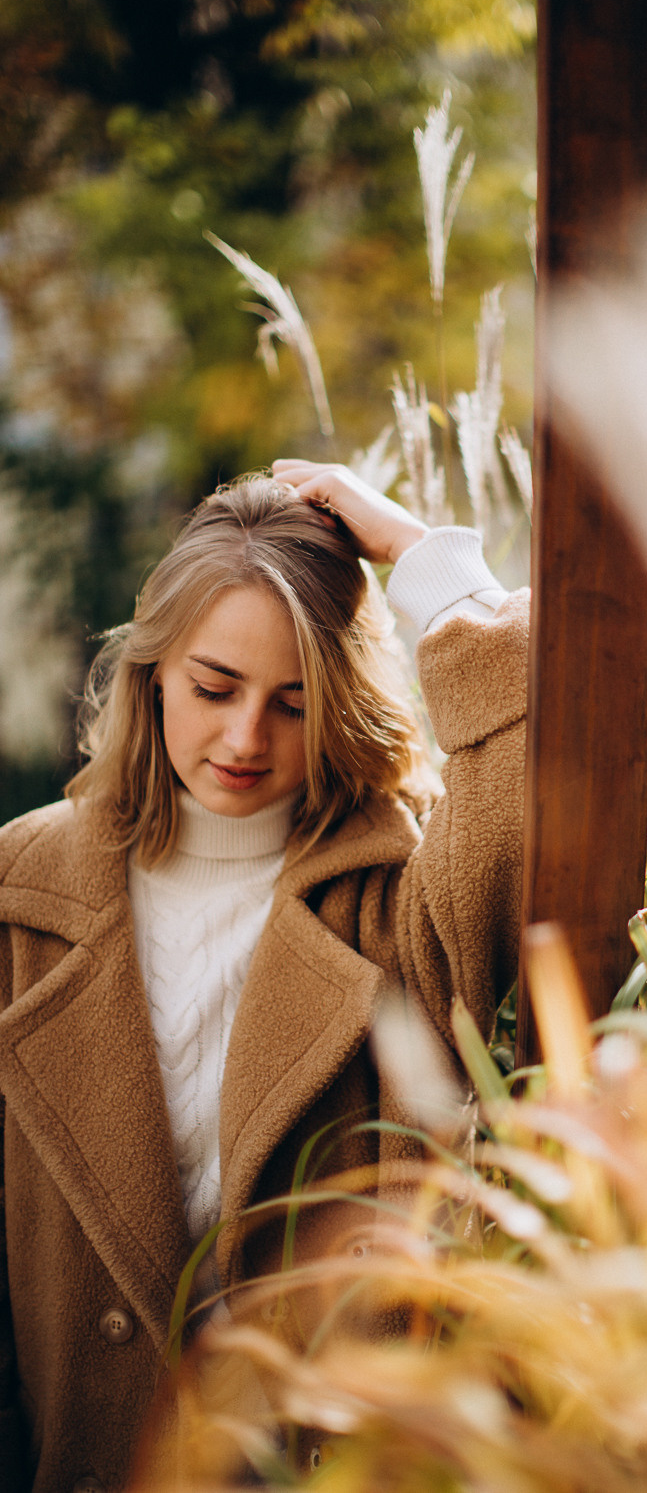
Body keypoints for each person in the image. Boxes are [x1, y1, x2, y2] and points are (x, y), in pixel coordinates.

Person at [0, 460, 528, 1493]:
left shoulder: (392, 897)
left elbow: (518, 768)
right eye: (213, 688)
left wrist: (425, 560)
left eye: (293, 702)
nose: (245, 738)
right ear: (152, 672)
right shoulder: (17, 894)